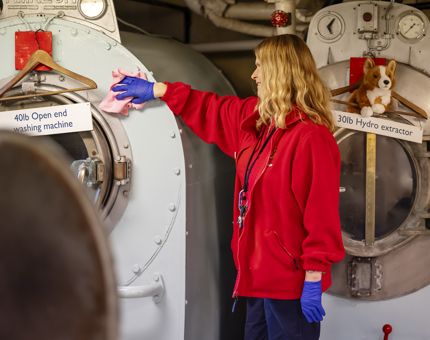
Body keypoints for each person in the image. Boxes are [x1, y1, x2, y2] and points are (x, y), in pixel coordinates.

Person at [112, 34, 345, 340]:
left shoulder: (310, 138)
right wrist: (158, 90)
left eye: (260, 66)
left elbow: (321, 213)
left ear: (280, 72)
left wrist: (313, 276)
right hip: (256, 279)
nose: (254, 74)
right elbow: (210, 107)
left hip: (290, 283)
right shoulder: (256, 121)